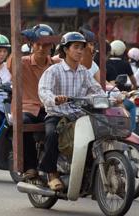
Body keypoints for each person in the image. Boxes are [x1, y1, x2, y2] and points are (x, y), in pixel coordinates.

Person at [38, 32, 104, 191]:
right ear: (66, 49)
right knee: (52, 134)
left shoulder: (84, 72)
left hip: (79, 115)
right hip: (57, 114)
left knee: (98, 134)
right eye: (76, 47)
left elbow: (97, 89)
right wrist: (54, 98)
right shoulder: (54, 70)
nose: (80, 51)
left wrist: (113, 97)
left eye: (82, 48)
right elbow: (43, 90)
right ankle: (51, 173)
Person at [12, 24, 59, 179]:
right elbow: (11, 62)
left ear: (51, 46)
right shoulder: (23, 61)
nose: (41, 48)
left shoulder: (55, 65)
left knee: (61, 128)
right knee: (22, 122)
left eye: (45, 45)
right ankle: (30, 166)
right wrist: (19, 41)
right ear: (31, 45)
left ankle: (54, 168)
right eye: (37, 44)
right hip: (28, 108)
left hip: (49, 108)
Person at [107, 40, 138, 130]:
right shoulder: (125, 64)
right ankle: (131, 131)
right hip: (117, 97)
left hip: (106, 96)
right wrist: (134, 87)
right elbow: (133, 80)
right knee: (132, 106)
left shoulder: (105, 63)